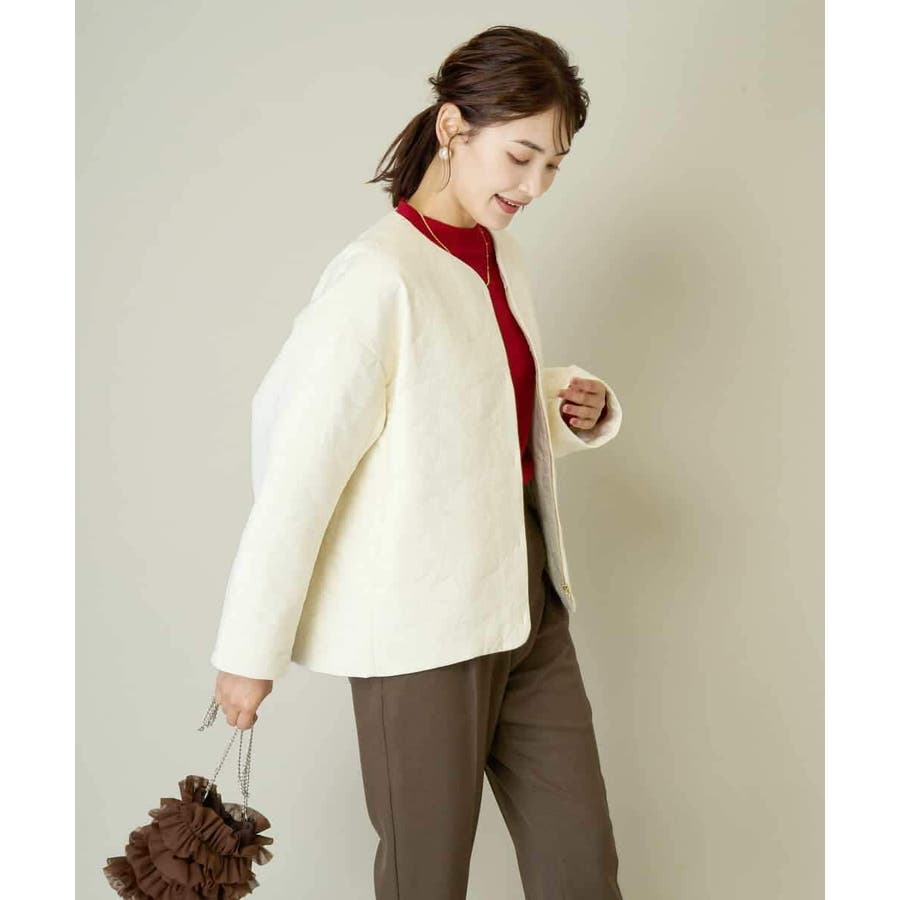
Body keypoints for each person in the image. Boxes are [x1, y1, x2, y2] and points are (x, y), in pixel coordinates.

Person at [210, 24, 626, 900]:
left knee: (582, 871)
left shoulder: (500, 254)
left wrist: (562, 399)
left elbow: (457, 396)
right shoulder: (377, 277)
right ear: (452, 128)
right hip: (421, 628)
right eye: (521, 156)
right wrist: (250, 650)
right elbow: (298, 472)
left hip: (528, 600)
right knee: (425, 881)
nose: (534, 187)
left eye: (553, 166)